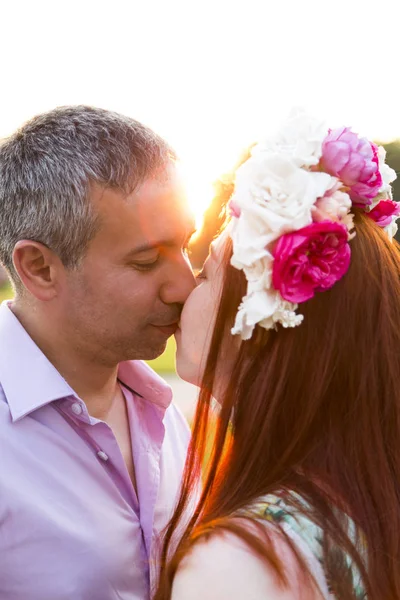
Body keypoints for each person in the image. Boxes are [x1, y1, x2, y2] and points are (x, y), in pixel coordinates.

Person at [155, 111, 400, 599]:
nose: (183, 288)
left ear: (259, 324)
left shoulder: (241, 561)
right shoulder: (370, 500)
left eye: (206, 273)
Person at [0, 106, 196, 600]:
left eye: (186, 247)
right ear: (40, 268)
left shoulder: (165, 410)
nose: (185, 286)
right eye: (147, 260)